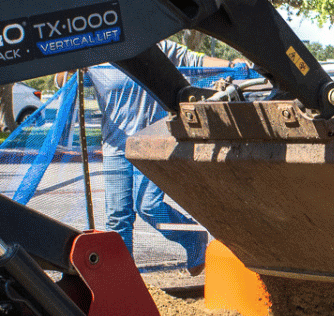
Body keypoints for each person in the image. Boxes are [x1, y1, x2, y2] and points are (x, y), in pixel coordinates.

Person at [86, 40, 229, 274]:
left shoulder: (156, 45)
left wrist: (232, 65)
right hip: (115, 147)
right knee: (117, 218)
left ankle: (193, 238)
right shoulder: (94, 52)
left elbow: (194, 61)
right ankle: (124, 279)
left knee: (149, 206)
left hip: (151, 143)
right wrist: (69, 67)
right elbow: (62, 79)